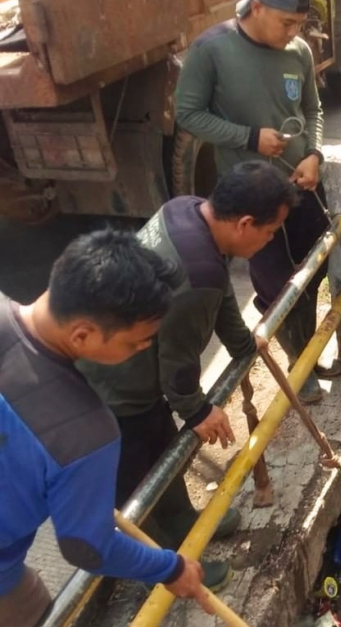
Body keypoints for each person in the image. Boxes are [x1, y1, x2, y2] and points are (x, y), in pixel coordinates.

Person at [79, 161, 298, 590]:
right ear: (245, 223)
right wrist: (198, 410)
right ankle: (161, 572)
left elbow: (218, 295)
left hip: (125, 361)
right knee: (135, 486)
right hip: (115, 388)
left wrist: (240, 343)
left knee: (164, 453)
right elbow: (177, 362)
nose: (270, 240)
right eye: (270, 232)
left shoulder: (188, 210)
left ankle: (183, 524)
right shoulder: (194, 275)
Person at [0, 230, 213, 627]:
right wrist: (170, 568)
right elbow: (87, 547)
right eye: (136, 342)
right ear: (83, 334)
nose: (144, 349)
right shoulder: (86, 433)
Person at [175, 0, 341, 404]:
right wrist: (248, 137)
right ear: (258, 6)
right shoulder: (212, 49)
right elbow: (187, 115)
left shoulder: (299, 51)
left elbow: (314, 110)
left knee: (311, 271)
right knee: (274, 282)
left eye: (299, 25)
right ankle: (298, 366)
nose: (293, 32)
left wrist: (314, 154)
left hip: (302, 187)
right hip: (254, 195)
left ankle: (309, 349)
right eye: (286, 22)